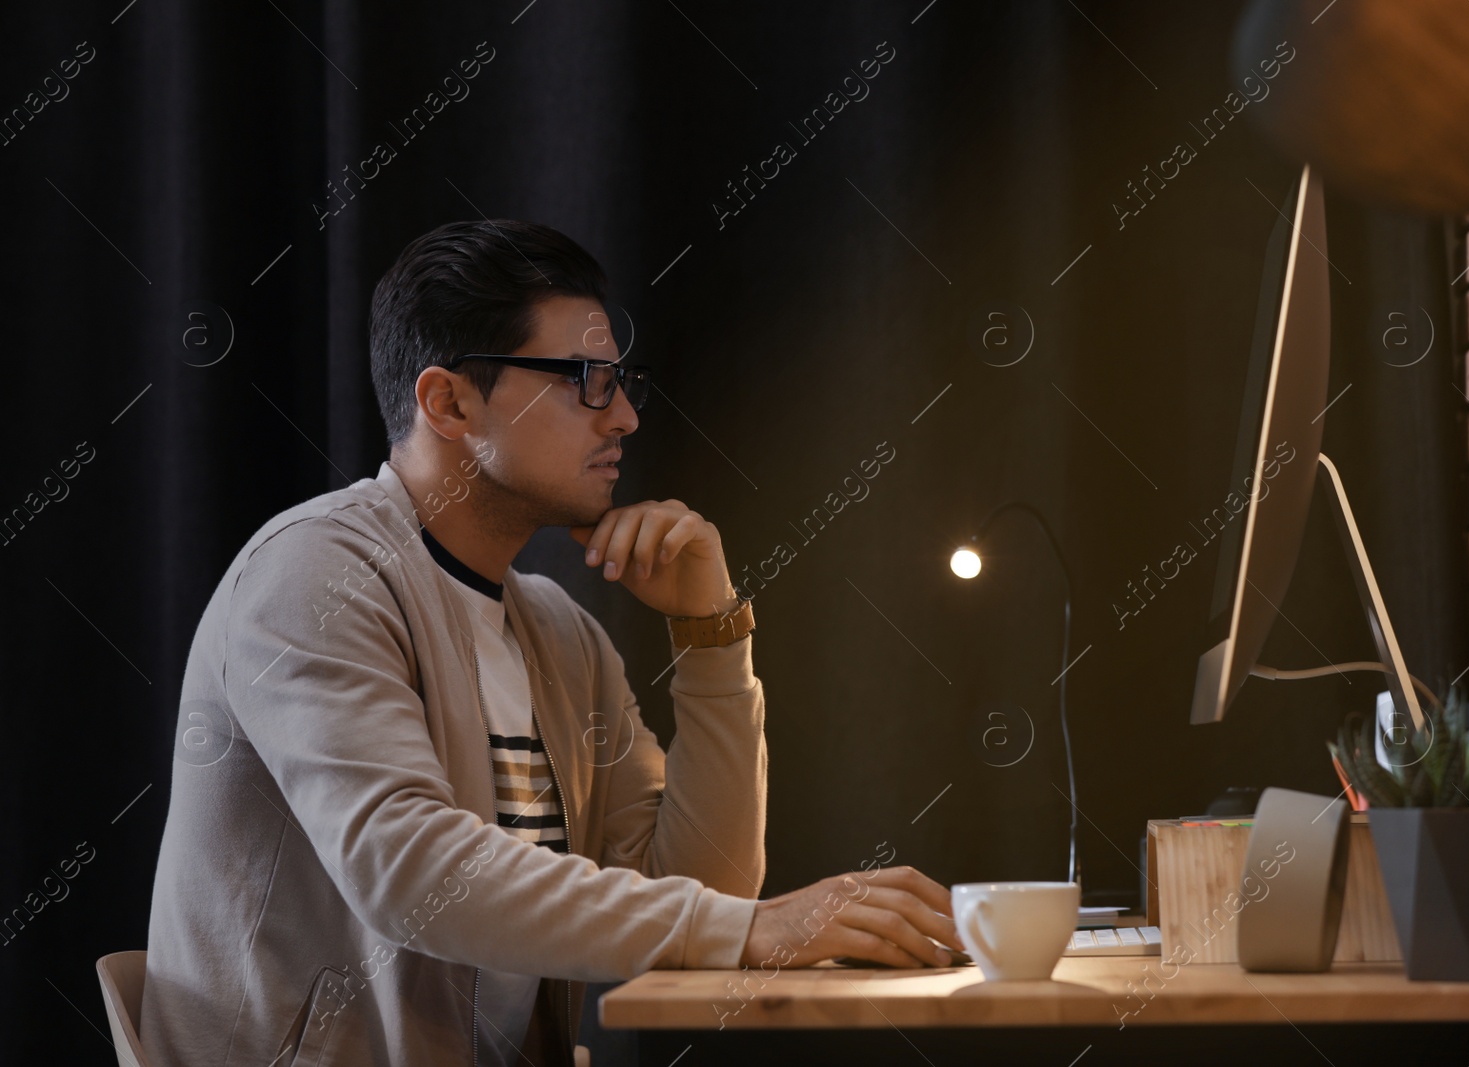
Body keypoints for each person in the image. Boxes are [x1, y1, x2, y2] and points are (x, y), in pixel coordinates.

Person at [139, 219, 962, 1067]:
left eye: (621, 381)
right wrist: (752, 928)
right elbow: (407, 869)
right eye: (588, 382)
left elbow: (694, 898)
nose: (628, 417)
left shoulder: (559, 632)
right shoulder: (314, 573)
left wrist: (710, 635)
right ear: (449, 402)